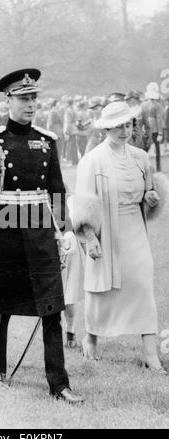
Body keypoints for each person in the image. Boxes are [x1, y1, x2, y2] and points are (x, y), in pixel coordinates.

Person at [0, 68, 84, 404]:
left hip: (38, 231)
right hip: (3, 230)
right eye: (24, 98)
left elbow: (57, 190)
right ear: (9, 100)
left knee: (51, 308)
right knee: (1, 307)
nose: (31, 104)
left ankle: (59, 384)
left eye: (34, 97)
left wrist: (66, 230)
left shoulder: (47, 141)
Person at [72, 101, 166, 374]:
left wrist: (150, 198)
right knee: (102, 290)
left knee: (142, 284)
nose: (124, 131)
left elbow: (148, 194)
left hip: (135, 229)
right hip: (105, 231)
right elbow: (84, 202)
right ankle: (91, 336)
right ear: (106, 128)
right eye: (118, 126)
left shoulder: (140, 157)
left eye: (128, 125)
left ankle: (151, 354)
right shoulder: (92, 160)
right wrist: (90, 237)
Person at [142, 83, 164, 171]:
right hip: (155, 129)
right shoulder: (157, 105)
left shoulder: (143, 104)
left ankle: (144, 166)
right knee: (157, 149)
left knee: (146, 148)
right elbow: (158, 119)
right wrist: (161, 133)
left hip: (146, 128)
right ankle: (158, 167)